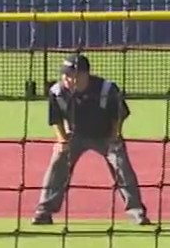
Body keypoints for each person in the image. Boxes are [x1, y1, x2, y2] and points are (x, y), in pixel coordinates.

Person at [32, 52, 151, 227]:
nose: (67, 78)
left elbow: (119, 115)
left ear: (84, 75)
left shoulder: (107, 89)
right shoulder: (57, 92)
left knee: (121, 163)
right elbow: (55, 119)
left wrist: (114, 136)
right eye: (65, 74)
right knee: (58, 161)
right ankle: (44, 211)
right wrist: (62, 141)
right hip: (74, 135)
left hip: (105, 135)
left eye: (72, 75)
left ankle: (136, 212)